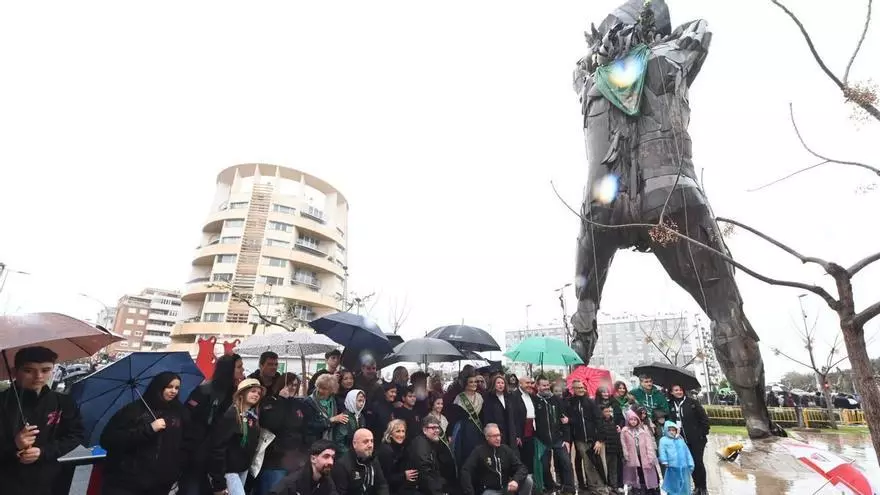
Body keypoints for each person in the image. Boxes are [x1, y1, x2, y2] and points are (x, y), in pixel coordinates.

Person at [0, 346, 85, 495]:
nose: (38, 376)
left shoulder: (62, 402)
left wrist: (43, 452)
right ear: (15, 372)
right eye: (28, 370)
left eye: (45, 370)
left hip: (47, 482)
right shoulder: (3, 402)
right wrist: (14, 445)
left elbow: (75, 436)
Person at [100, 372, 188, 495]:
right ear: (158, 387)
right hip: (127, 482)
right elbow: (109, 440)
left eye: (177, 388)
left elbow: (184, 442)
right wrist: (149, 429)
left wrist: (176, 470)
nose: (173, 391)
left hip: (160, 483)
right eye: (169, 387)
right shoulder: (133, 411)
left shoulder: (178, 412)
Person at [183, 353, 245, 495]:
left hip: (220, 459)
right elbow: (189, 420)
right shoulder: (205, 391)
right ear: (228, 369)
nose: (243, 370)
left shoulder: (236, 394)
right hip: (197, 456)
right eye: (239, 367)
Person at [208, 378, 264, 495]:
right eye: (253, 391)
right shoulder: (231, 415)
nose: (256, 395)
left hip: (243, 469)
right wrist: (219, 481)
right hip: (229, 471)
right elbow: (218, 448)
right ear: (243, 393)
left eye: (258, 393)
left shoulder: (253, 417)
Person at [256, 374, 308, 495]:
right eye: (289, 384)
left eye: (295, 385)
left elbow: (301, 426)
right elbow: (273, 423)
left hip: (294, 457)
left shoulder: (299, 404)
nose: (292, 388)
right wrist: (281, 401)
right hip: (275, 459)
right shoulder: (270, 402)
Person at [460, 423, 532, 495]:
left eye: (499, 435)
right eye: (494, 436)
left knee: (528, 480)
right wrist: (470, 492)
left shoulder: (505, 449)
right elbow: (465, 470)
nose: (498, 438)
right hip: (489, 491)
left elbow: (522, 468)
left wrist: (516, 480)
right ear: (487, 437)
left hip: (506, 488)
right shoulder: (479, 451)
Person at [534, 376, 574, 495]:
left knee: (566, 462)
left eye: (547, 385)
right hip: (542, 440)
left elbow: (564, 420)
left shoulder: (556, 400)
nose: (546, 387)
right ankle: (550, 485)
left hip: (558, 438)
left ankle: (568, 487)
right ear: (538, 386)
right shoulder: (535, 401)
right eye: (543, 385)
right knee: (545, 466)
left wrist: (566, 439)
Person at [667, 384, 709, 495]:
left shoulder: (692, 403)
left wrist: (702, 433)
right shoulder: (670, 404)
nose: (679, 392)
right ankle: (696, 487)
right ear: (671, 392)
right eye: (676, 390)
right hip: (681, 440)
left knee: (698, 462)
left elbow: (704, 419)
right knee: (690, 464)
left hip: (696, 439)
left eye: (680, 389)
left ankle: (703, 487)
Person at [566, 379, 605, 494]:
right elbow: (573, 420)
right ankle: (592, 487)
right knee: (587, 463)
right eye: (578, 388)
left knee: (595, 463)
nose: (581, 390)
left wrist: (600, 439)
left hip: (593, 438)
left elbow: (599, 420)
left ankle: (598, 485)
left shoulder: (590, 402)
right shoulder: (570, 403)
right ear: (573, 389)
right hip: (579, 439)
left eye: (583, 387)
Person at [269, 439, 338, 495]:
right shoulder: (292, 483)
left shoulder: (327, 482)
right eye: (326, 457)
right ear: (313, 459)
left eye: (333, 457)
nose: (331, 462)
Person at [332, 428, 389, 495]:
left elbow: (382, 485)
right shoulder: (342, 465)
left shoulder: (373, 459)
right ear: (354, 444)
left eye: (372, 441)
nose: (370, 445)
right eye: (366, 441)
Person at [449, 370, 485, 469]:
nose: (474, 384)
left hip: (477, 430)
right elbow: (453, 417)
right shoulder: (460, 398)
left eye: (475, 382)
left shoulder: (480, 397)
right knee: (465, 455)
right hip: (463, 430)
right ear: (466, 384)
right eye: (471, 382)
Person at [619, 410, 659, 495]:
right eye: (631, 419)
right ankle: (636, 487)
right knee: (634, 471)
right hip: (632, 456)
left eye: (635, 420)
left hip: (643, 455)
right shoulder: (625, 431)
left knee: (645, 471)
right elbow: (624, 444)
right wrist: (626, 454)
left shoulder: (642, 430)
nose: (633, 421)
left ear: (638, 420)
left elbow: (648, 444)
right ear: (628, 420)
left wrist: (651, 455)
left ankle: (648, 487)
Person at [407, 416, 446, 495]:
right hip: (418, 490)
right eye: (433, 428)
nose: (437, 430)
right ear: (424, 430)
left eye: (438, 427)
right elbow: (425, 472)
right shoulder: (421, 444)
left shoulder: (428, 442)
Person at [377, 420, 417, 495]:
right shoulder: (386, 451)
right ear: (390, 434)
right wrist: (404, 475)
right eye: (398, 431)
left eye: (403, 431)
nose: (401, 434)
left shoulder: (401, 447)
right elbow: (385, 478)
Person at [305, 374, 347, 444]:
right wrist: (330, 420)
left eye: (324, 388)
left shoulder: (337, 402)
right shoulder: (308, 402)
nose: (320, 390)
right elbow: (309, 425)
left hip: (333, 441)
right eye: (319, 387)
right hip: (314, 442)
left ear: (332, 390)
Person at [481, 374, 518, 449]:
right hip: (496, 432)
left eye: (502, 383)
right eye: (498, 383)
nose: (500, 385)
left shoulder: (509, 397)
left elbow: (514, 416)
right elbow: (486, 417)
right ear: (493, 384)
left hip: (510, 432)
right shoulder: (488, 398)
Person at [658, 422, 694, 495]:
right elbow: (662, 451)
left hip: (684, 467)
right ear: (666, 430)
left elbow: (687, 452)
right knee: (673, 486)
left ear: (676, 430)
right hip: (672, 467)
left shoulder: (680, 440)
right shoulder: (663, 440)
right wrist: (664, 461)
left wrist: (690, 463)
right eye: (669, 430)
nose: (671, 432)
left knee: (685, 485)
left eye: (673, 430)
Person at [510, 376, 536, 475]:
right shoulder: (513, 396)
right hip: (520, 433)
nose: (530, 385)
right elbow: (513, 417)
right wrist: (516, 435)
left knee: (530, 459)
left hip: (531, 432)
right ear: (520, 384)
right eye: (527, 383)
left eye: (531, 383)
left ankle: (530, 483)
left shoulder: (532, 395)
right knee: (521, 461)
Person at [333, 389, 366, 457]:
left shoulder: (361, 416)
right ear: (352, 400)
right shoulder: (345, 417)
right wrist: (351, 455)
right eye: (359, 401)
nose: (362, 403)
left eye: (363, 401)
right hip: (346, 456)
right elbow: (339, 442)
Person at [597, 406, 622, 492]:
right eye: (606, 411)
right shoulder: (600, 422)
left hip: (614, 449)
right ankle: (606, 485)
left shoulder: (614, 421)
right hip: (605, 449)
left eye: (609, 411)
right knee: (605, 469)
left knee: (613, 469)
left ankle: (614, 486)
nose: (608, 413)